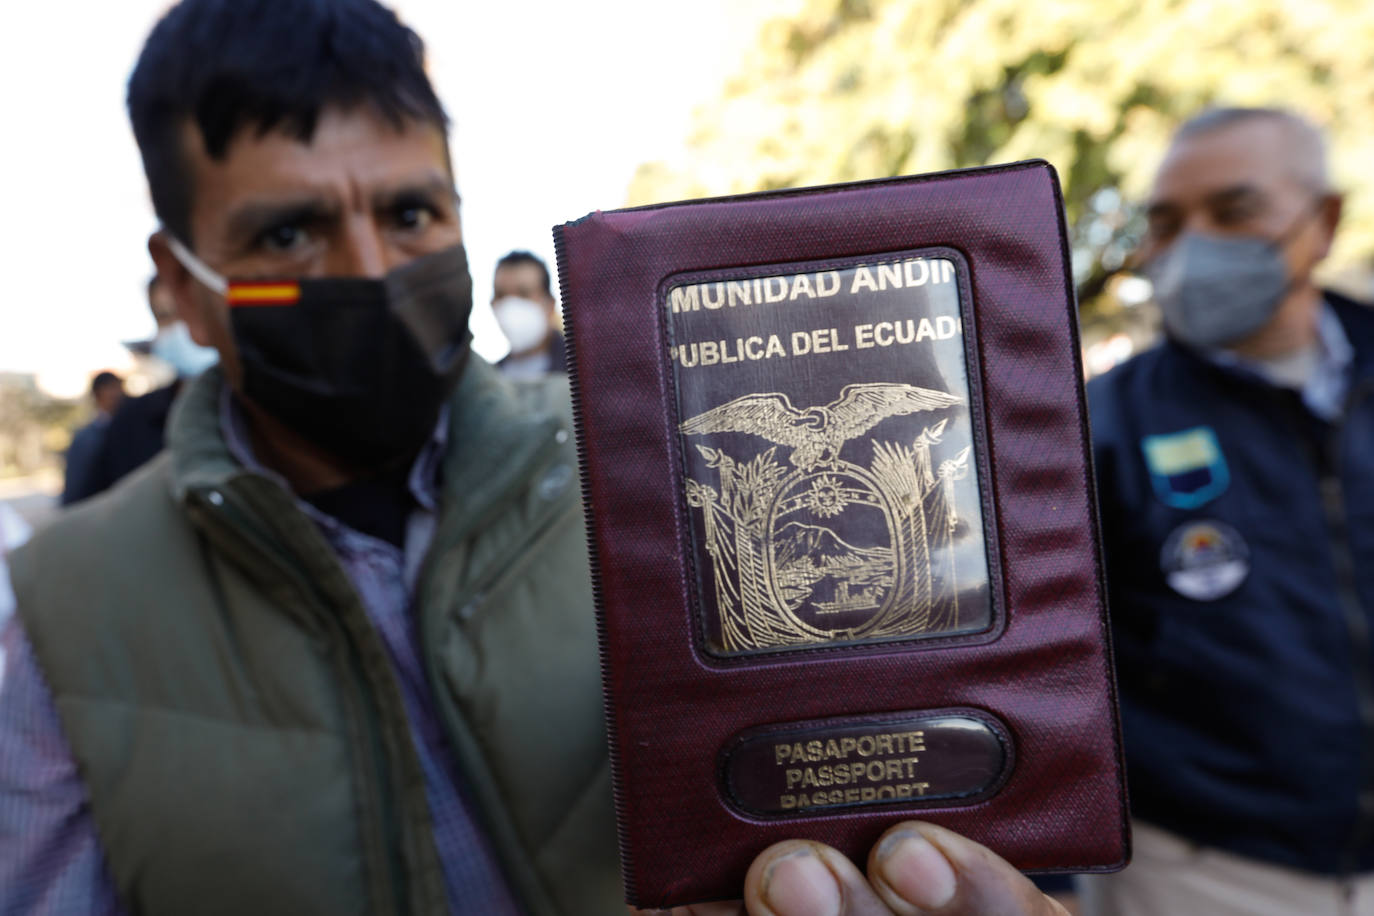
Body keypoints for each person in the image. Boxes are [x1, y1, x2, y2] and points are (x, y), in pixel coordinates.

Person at [0, 3, 1067, 914]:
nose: (372, 271)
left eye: (412, 213)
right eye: (289, 236)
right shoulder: (64, 613)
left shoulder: (665, 467)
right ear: (178, 281)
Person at [1082, 107, 1374, 914]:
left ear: (1324, 223)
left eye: (1233, 212)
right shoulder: (1097, 425)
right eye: (1166, 223)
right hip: (1203, 871)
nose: (1190, 248)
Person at [62, 275, 218, 504]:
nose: (183, 327)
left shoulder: (268, 408)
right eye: (166, 316)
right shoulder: (129, 422)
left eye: (192, 309)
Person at [492, 250, 566, 378]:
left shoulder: (582, 373)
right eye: (501, 295)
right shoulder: (484, 380)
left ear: (550, 305)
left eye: (523, 294)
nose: (510, 306)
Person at [59, 371, 124, 505]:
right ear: (97, 393)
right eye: (111, 388)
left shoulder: (131, 429)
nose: (117, 394)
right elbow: (75, 484)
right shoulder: (85, 438)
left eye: (118, 388)